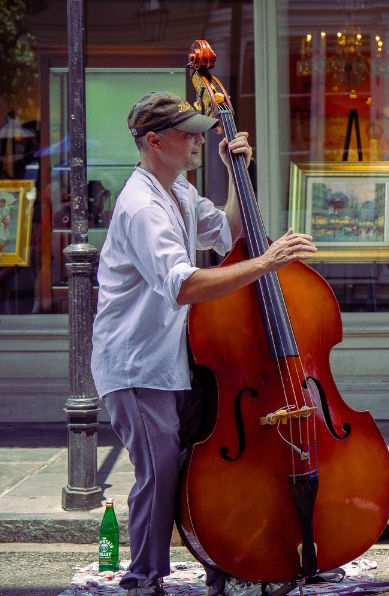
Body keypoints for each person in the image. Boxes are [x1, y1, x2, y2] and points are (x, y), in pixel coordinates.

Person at [91, 92, 317, 596]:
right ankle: (143, 579)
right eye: (188, 132)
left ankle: (224, 565)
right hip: (137, 365)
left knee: (198, 468)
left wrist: (238, 173)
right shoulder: (143, 207)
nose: (198, 140)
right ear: (154, 141)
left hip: (175, 359)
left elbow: (227, 232)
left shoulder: (178, 189)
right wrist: (267, 262)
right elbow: (183, 285)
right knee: (160, 473)